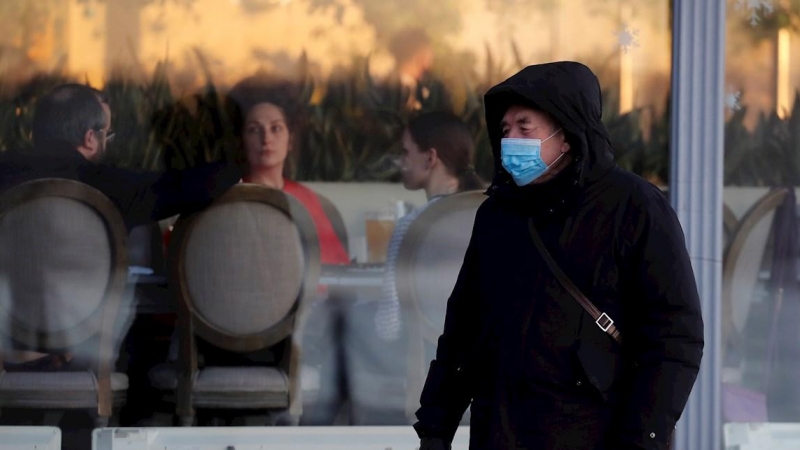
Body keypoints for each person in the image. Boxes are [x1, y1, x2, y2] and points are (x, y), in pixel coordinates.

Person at [413, 62, 704, 450]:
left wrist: (641, 438)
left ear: (566, 133)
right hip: (501, 432)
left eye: (524, 127)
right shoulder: (498, 214)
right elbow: (464, 328)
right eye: (504, 130)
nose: (509, 139)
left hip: (594, 433)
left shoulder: (634, 207)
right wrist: (435, 426)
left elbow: (675, 336)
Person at [0, 83, 243, 230]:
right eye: (107, 133)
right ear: (90, 138)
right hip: (88, 314)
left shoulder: (5, 170)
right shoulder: (109, 186)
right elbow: (202, 182)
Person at [375, 111, 486, 342]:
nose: (401, 160)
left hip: (430, 363)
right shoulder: (495, 215)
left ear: (430, 158)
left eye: (405, 152)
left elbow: (388, 328)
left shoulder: (412, 226)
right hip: (492, 359)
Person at [228, 77, 350, 265]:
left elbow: (335, 269)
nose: (266, 139)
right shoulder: (229, 200)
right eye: (254, 130)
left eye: (276, 128)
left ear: (290, 140)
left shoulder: (307, 200)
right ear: (242, 140)